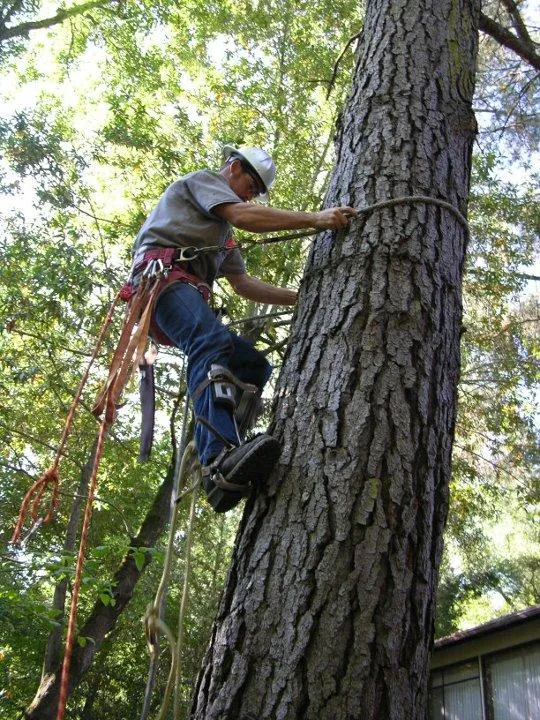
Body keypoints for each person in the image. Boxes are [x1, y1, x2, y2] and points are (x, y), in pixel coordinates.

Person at [132, 145, 356, 512]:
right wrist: (317, 219)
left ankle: (232, 452)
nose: (251, 195)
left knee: (253, 365)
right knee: (210, 340)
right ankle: (215, 459)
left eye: (255, 192)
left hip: (183, 292)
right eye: (251, 186)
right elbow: (243, 215)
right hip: (162, 283)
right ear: (234, 168)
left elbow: (244, 284)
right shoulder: (203, 183)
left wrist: (303, 299)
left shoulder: (220, 237)